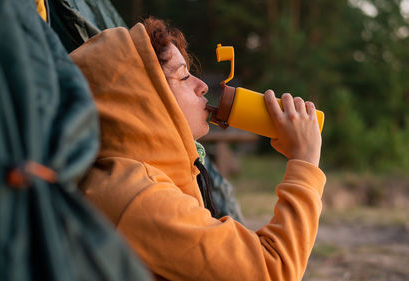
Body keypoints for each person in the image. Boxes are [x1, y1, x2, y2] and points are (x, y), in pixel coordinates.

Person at [70, 17, 326, 281]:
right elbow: (270, 271)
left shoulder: (135, 178)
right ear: (144, 98)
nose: (202, 85)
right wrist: (304, 162)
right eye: (183, 76)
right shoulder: (139, 199)